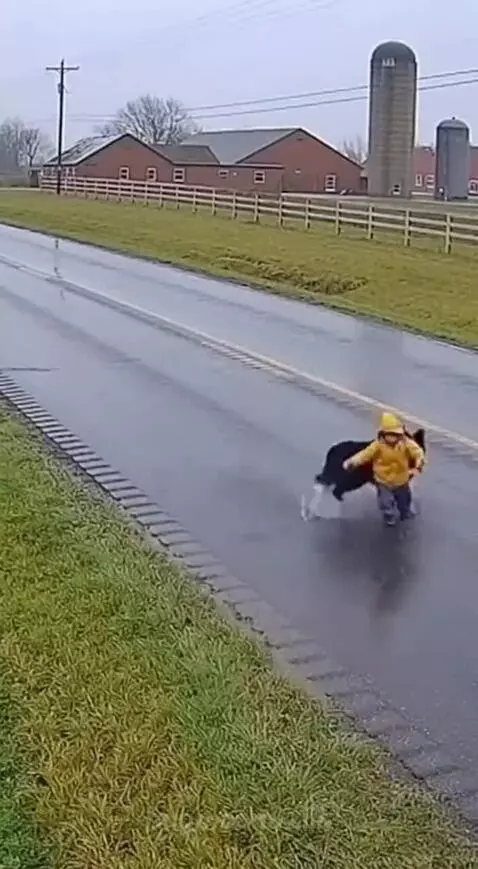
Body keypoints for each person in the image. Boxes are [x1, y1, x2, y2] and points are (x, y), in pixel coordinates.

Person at [342, 411, 426, 527]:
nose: (393, 438)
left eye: (396, 435)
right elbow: (364, 455)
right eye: (390, 435)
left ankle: (405, 512)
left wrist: (419, 462)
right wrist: (352, 462)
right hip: (383, 480)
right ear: (383, 434)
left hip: (401, 480)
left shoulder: (406, 443)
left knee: (404, 499)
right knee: (385, 501)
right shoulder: (377, 446)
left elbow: (417, 452)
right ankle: (389, 515)